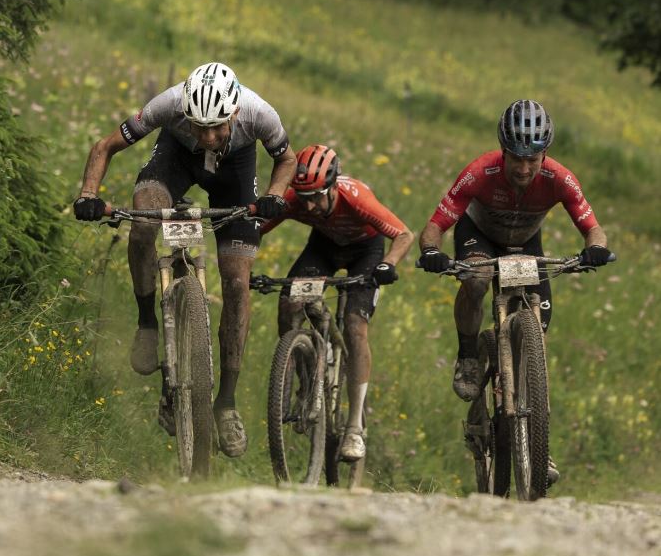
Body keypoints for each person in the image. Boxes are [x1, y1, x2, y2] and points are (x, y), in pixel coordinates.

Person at [73, 62, 296, 457]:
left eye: (217, 127)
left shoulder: (260, 112)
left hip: (236, 175)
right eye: (199, 126)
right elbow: (105, 146)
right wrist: (89, 194)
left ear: (235, 114)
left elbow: (288, 159)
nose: (208, 137)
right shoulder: (168, 105)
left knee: (237, 282)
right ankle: (147, 322)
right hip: (175, 160)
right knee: (143, 220)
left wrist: (275, 194)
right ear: (185, 113)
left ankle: (225, 402)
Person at [416, 99, 610, 407]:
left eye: (532, 159)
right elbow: (434, 227)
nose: (523, 168)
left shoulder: (560, 178)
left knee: (539, 331)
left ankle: (530, 431)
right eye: (516, 159)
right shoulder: (479, 172)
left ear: (544, 153)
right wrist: (430, 251)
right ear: (503, 151)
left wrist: (596, 249)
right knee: (477, 280)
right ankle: (467, 355)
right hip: (478, 235)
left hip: (525, 242)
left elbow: (593, 228)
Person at [257, 144, 414, 461]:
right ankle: (304, 381)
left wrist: (388, 265)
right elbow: (256, 228)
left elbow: (404, 235)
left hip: (365, 252)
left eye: (317, 196)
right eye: (304, 199)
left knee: (355, 327)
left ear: (332, 185)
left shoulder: (355, 198)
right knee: (289, 302)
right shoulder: (297, 199)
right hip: (324, 247)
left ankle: (354, 427)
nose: (311, 206)